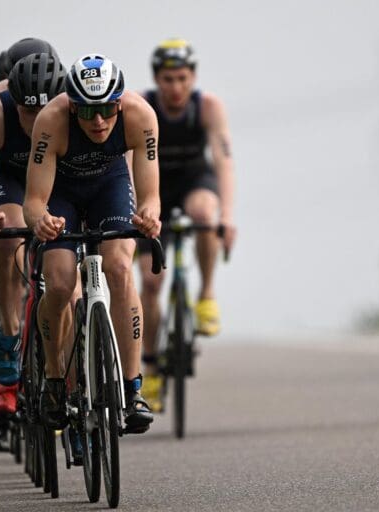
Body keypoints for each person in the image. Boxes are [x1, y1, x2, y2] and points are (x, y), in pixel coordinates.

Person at [22, 54, 160, 434]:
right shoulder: (51, 121)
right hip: (60, 195)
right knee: (62, 283)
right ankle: (53, 378)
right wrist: (40, 221)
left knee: (119, 268)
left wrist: (149, 215)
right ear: (71, 105)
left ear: (119, 102)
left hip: (109, 187)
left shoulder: (140, 115)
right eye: (86, 112)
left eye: (105, 110)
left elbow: (149, 194)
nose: (98, 121)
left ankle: (132, 389)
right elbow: (33, 201)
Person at [0, 51, 66, 449]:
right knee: (6, 235)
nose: (33, 122)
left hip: (57, 178)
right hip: (8, 180)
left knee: (68, 281)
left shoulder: (73, 106)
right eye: (26, 112)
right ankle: (8, 332)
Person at [137, 39, 237, 412]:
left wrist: (227, 216)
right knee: (150, 282)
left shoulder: (207, 107)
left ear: (193, 78)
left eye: (182, 78)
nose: (175, 87)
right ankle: (150, 366)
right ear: (156, 80)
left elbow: (224, 161)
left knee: (204, 217)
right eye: (167, 79)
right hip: (154, 188)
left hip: (195, 179)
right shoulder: (142, 106)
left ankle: (206, 295)